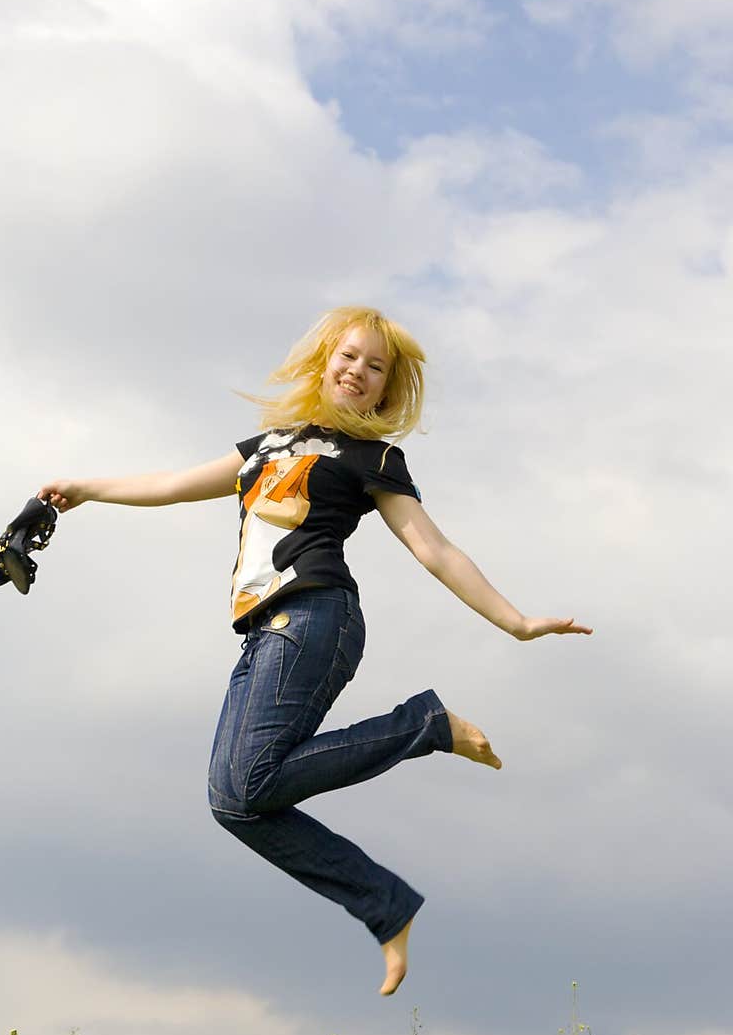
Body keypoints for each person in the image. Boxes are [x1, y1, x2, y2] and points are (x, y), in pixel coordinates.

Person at [38, 306, 592, 996]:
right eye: (350, 357)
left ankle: (424, 727)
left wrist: (515, 621)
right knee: (235, 800)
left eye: (376, 367)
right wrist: (86, 490)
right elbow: (172, 485)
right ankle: (385, 905)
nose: (358, 372)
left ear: (388, 389)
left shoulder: (374, 458)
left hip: (315, 616)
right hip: (262, 632)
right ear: (325, 360)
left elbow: (434, 548)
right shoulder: (268, 446)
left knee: (244, 786)